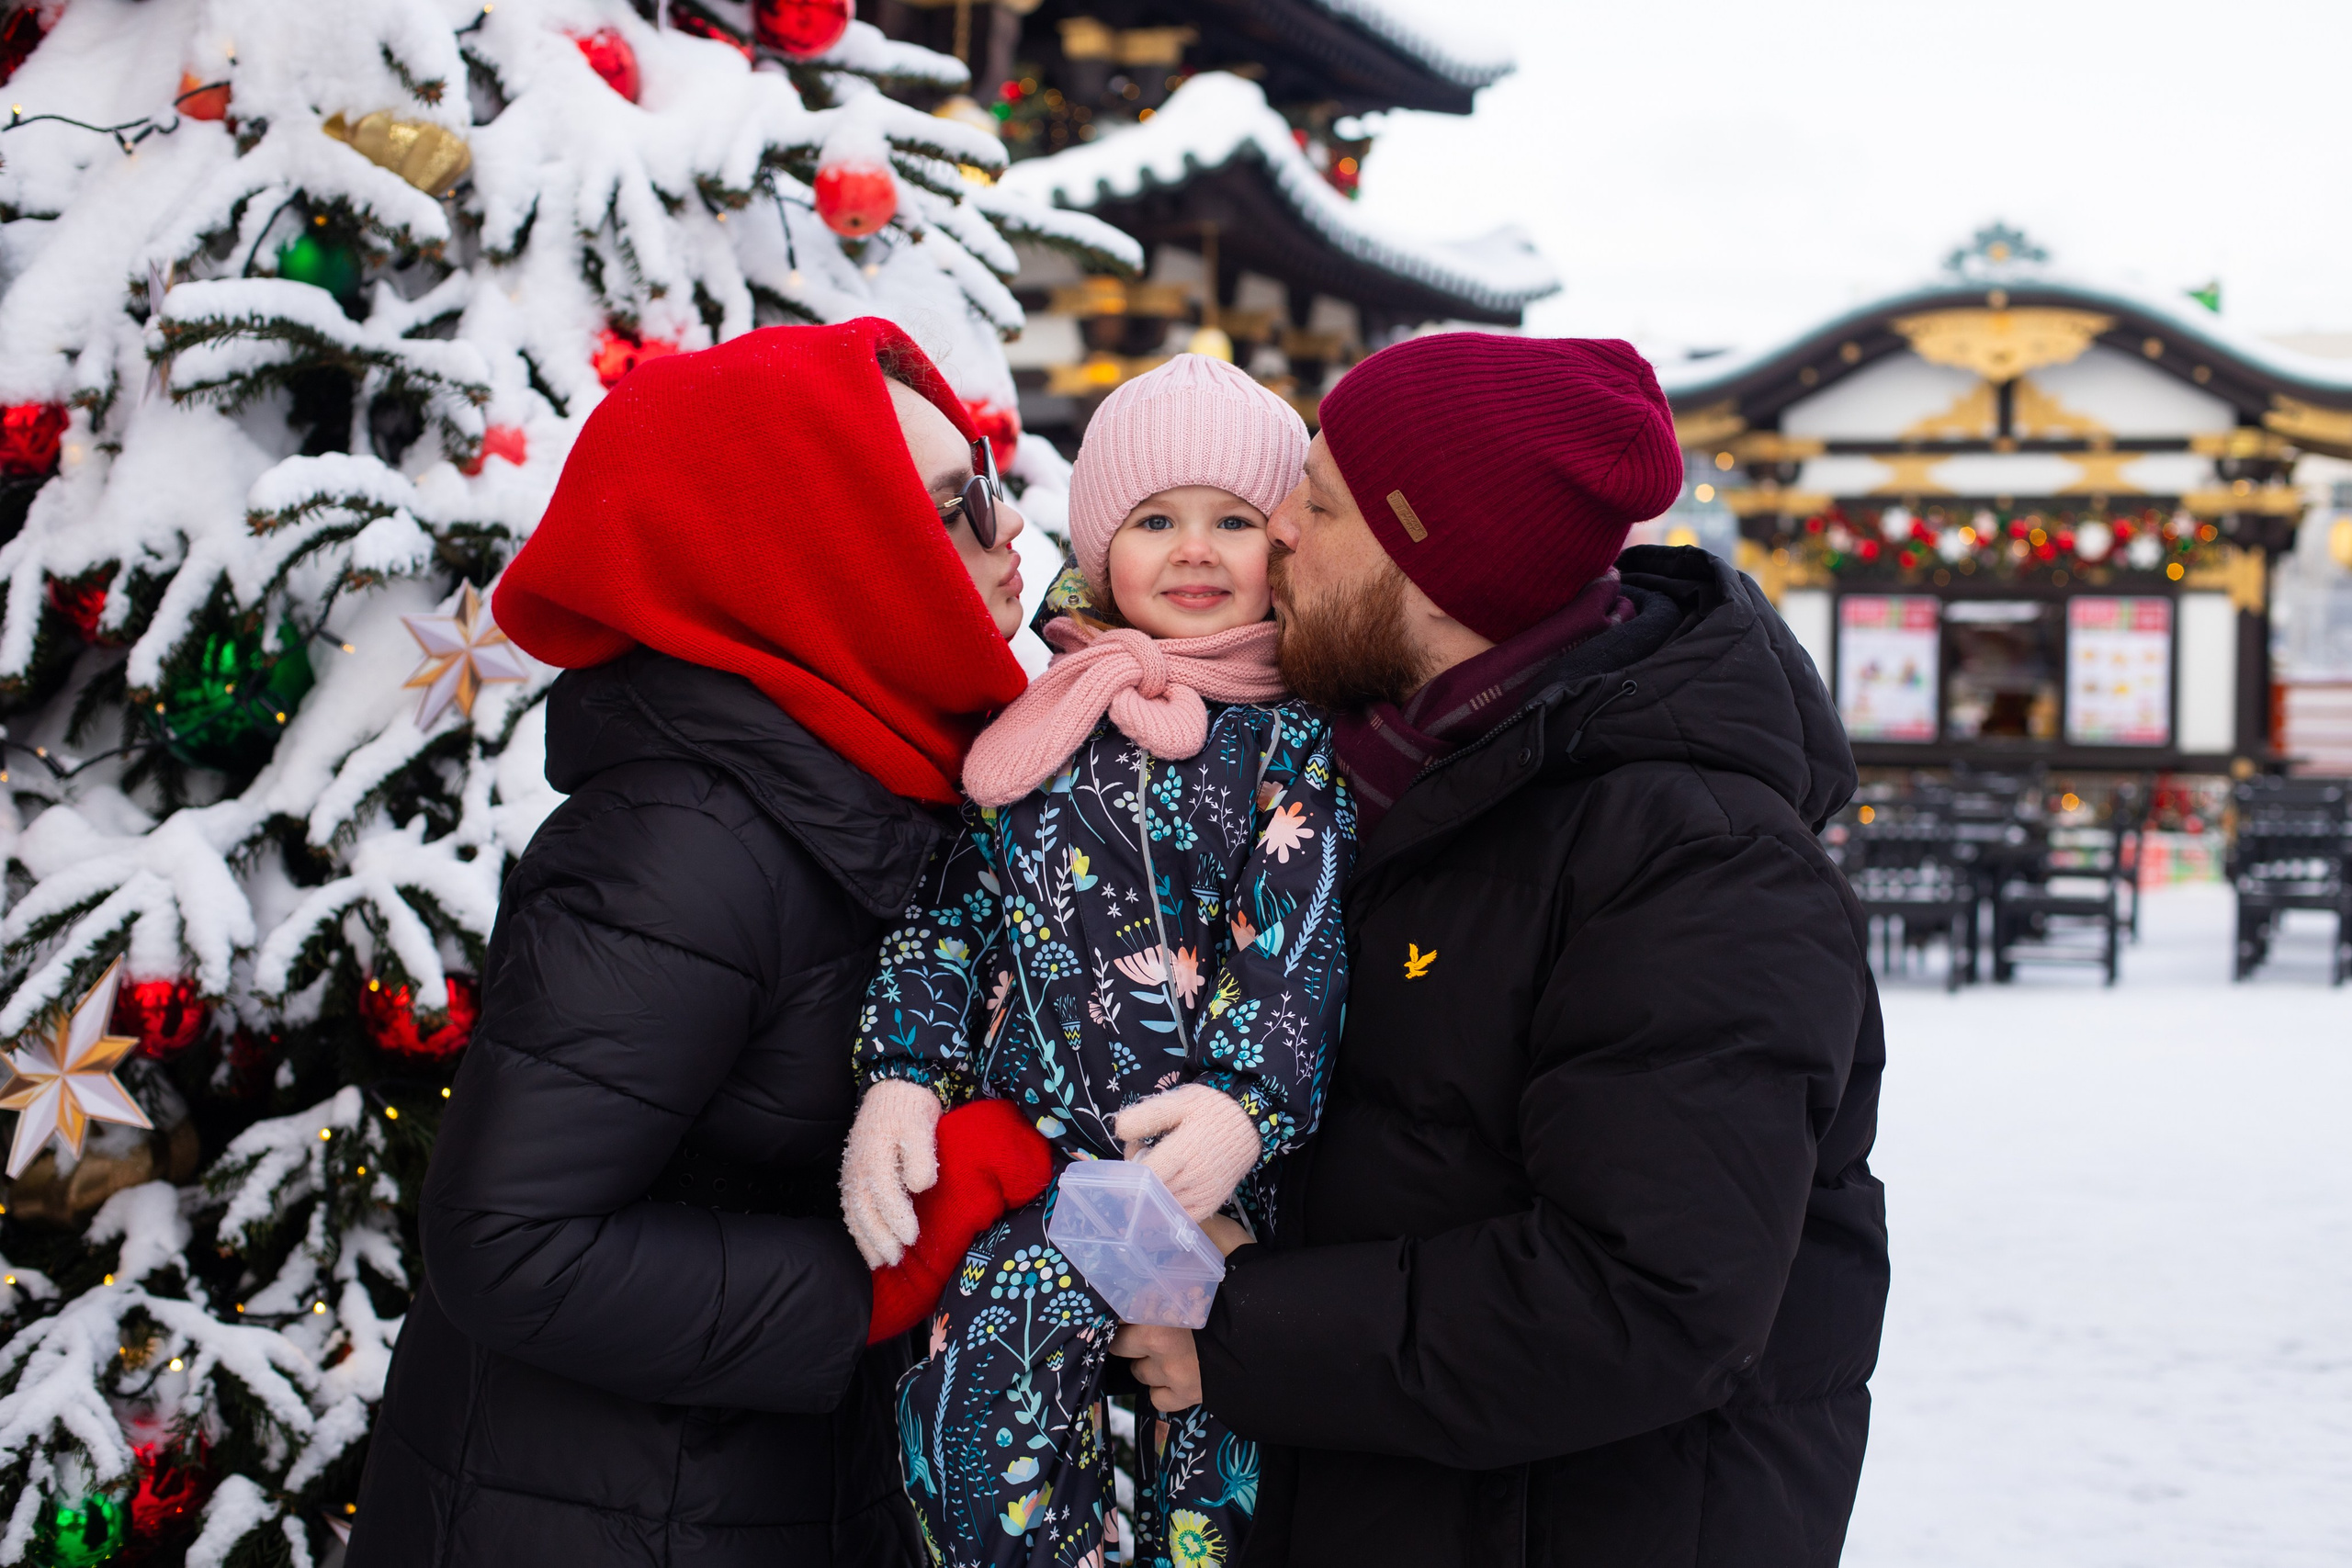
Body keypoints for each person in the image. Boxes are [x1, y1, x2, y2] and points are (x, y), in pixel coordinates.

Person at [1112, 333, 1889, 1567]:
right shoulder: (1367, 779)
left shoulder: (1701, 863)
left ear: (1437, 569)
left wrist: (1242, 1326)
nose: (1278, 532)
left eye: (1320, 504)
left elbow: (1648, 1298)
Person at [345, 319, 1033, 1568]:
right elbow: (507, 1238)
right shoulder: (685, 843)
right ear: (825, 551)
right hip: (602, 1517)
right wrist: (871, 1285)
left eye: (993, 481)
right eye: (960, 504)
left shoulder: (876, 784)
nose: (1012, 526)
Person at [841, 355, 1355, 1568]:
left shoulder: (1289, 738)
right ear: (1100, 542)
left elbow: (1299, 939)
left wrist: (1244, 1105)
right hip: (1036, 1171)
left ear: (1281, 543)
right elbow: (953, 914)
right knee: (976, 1412)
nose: (1195, 550)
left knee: (1209, 1449)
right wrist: (904, 1074)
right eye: (1156, 520)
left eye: (1234, 521)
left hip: (1205, 1185)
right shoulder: (1039, 720)